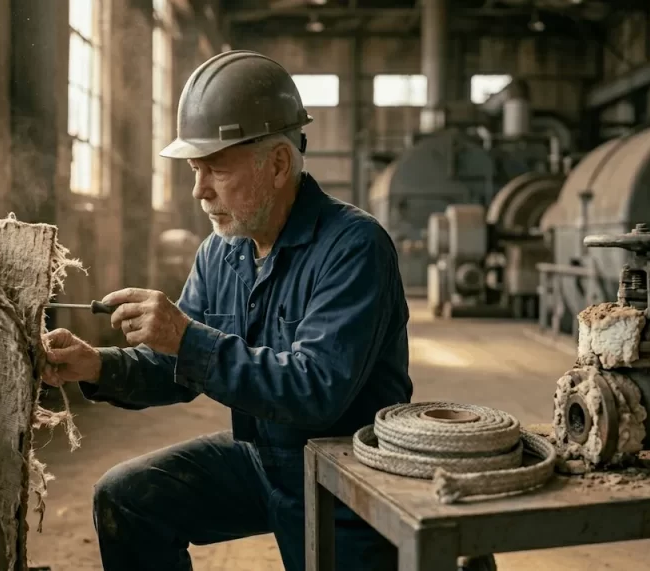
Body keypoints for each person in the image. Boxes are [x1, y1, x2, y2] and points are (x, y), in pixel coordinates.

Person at [41, 50, 413, 570]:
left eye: (215, 169)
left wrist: (184, 336)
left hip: (350, 472)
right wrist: (96, 365)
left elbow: (317, 391)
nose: (199, 191)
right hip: (266, 456)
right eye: (195, 170)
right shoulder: (222, 250)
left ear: (278, 164)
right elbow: (178, 368)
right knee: (127, 499)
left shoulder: (354, 246)